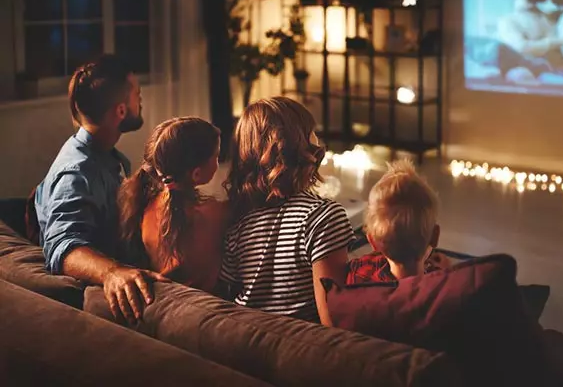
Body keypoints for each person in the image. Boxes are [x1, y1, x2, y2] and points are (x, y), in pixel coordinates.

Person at [34, 54, 165, 324]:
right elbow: (62, 247)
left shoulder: (109, 157)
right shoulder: (77, 172)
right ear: (120, 111)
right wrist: (112, 272)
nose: (140, 101)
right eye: (136, 95)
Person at [220, 97, 355, 326]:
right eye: (312, 131)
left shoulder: (236, 221)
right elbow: (333, 320)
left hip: (248, 338)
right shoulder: (323, 217)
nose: (317, 138)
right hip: (301, 346)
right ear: (299, 143)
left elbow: (227, 293)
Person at [118, 117, 226, 293]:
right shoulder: (214, 213)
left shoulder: (145, 208)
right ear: (196, 174)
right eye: (216, 156)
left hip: (168, 299)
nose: (218, 161)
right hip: (205, 303)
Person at [346, 160, 450, 285]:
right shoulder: (441, 285)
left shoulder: (358, 274)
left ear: (372, 242)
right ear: (435, 236)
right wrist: (445, 270)